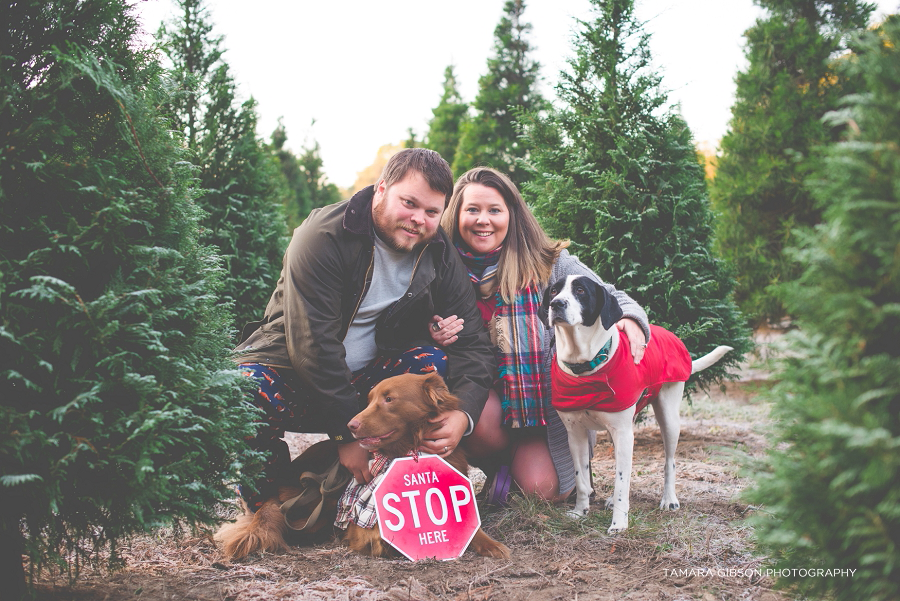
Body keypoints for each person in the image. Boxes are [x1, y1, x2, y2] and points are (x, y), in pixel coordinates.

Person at [232, 149, 495, 511]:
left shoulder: (437, 251)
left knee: (431, 363)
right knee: (243, 392)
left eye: (432, 212)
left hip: (374, 385)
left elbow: (472, 344)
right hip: (298, 374)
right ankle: (268, 507)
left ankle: (402, 488)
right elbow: (314, 347)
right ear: (381, 188)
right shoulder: (323, 236)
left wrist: (461, 414)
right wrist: (345, 434)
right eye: (409, 203)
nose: (419, 220)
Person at [429, 167, 651, 503]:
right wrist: (432, 335)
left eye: (494, 210)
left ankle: (520, 469)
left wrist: (632, 320)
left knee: (541, 491)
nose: (482, 220)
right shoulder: (439, 268)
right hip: (485, 405)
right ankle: (495, 466)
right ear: (455, 213)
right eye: (472, 209)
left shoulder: (549, 263)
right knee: (473, 412)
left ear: (511, 215)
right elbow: (408, 325)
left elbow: (614, 296)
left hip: (543, 416)